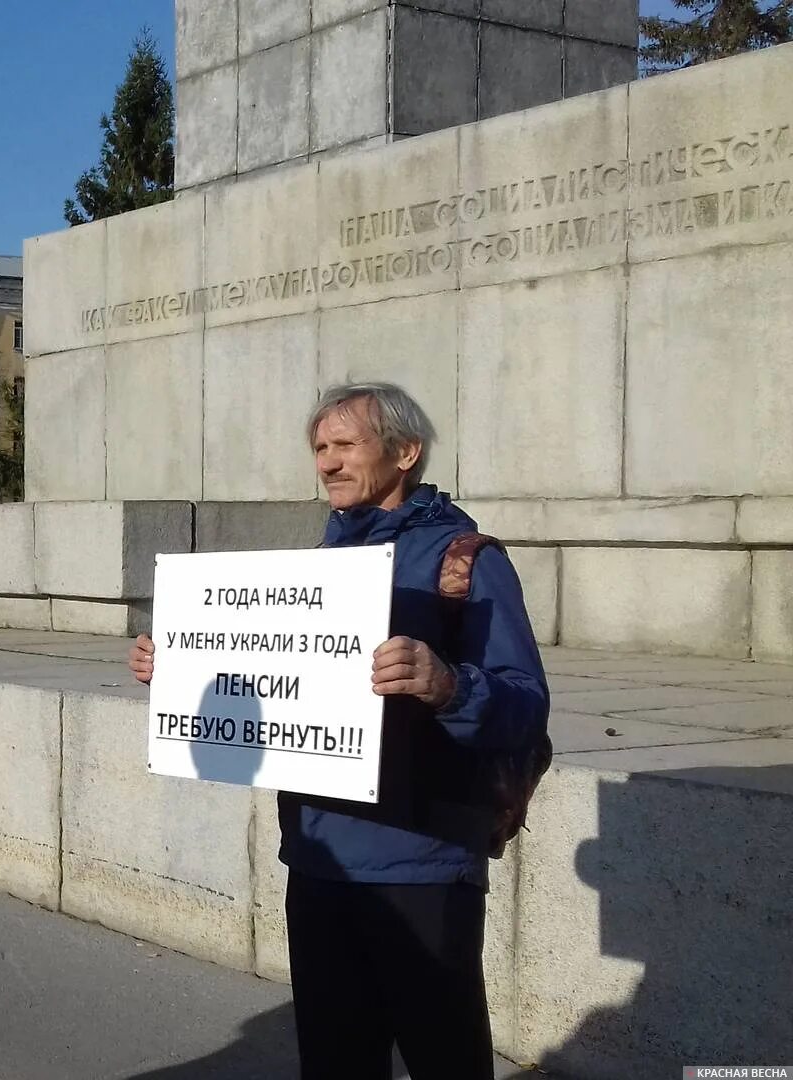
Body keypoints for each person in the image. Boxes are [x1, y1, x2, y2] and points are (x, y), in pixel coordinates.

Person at [127, 382, 549, 1080]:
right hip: (320, 862)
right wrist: (176, 666)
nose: (326, 463)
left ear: (405, 452)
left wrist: (449, 685)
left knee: (445, 1059)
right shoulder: (318, 566)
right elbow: (264, 681)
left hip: (422, 863)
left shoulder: (464, 561)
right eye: (319, 448)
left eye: (344, 445)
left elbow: (525, 705)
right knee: (334, 1060)